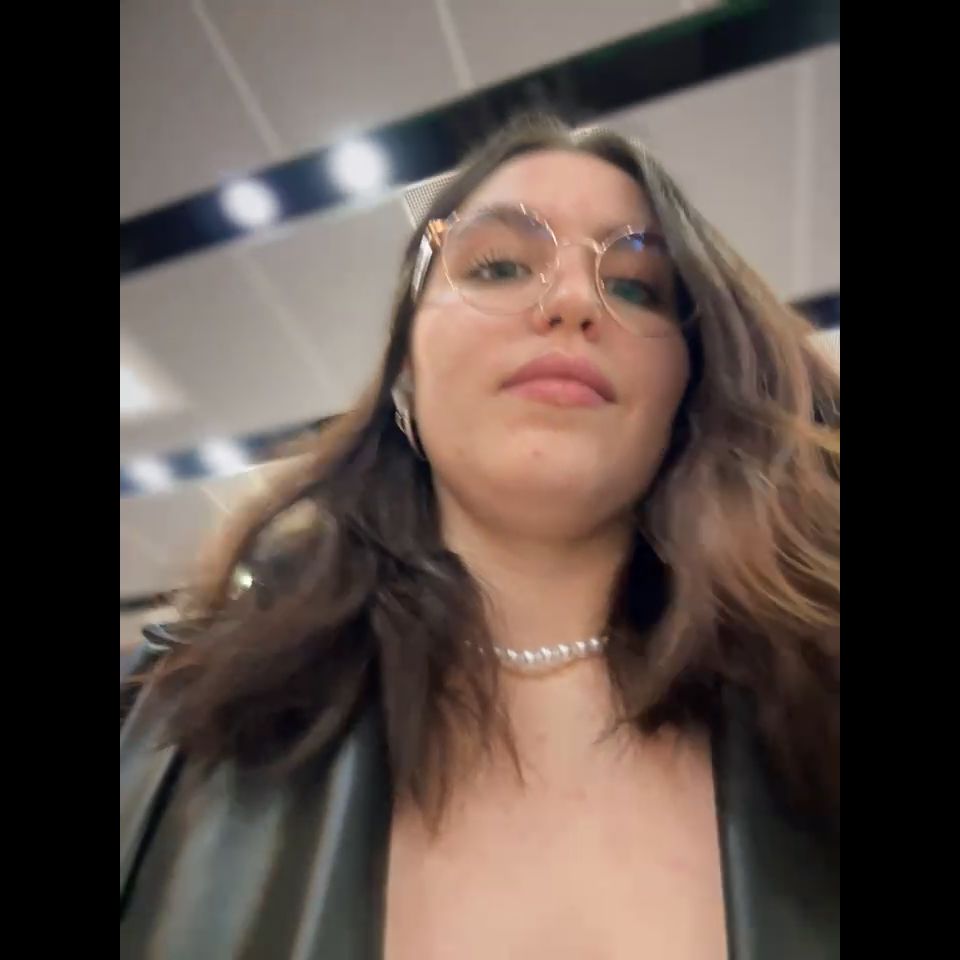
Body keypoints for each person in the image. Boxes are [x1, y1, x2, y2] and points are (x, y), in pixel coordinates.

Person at [120, 115, 840, 960]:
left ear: (688, 380)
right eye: (498, 267)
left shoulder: (818, 707)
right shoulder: (164, 724)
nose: (573, 301)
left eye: (638, 287)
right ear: (405, 367)